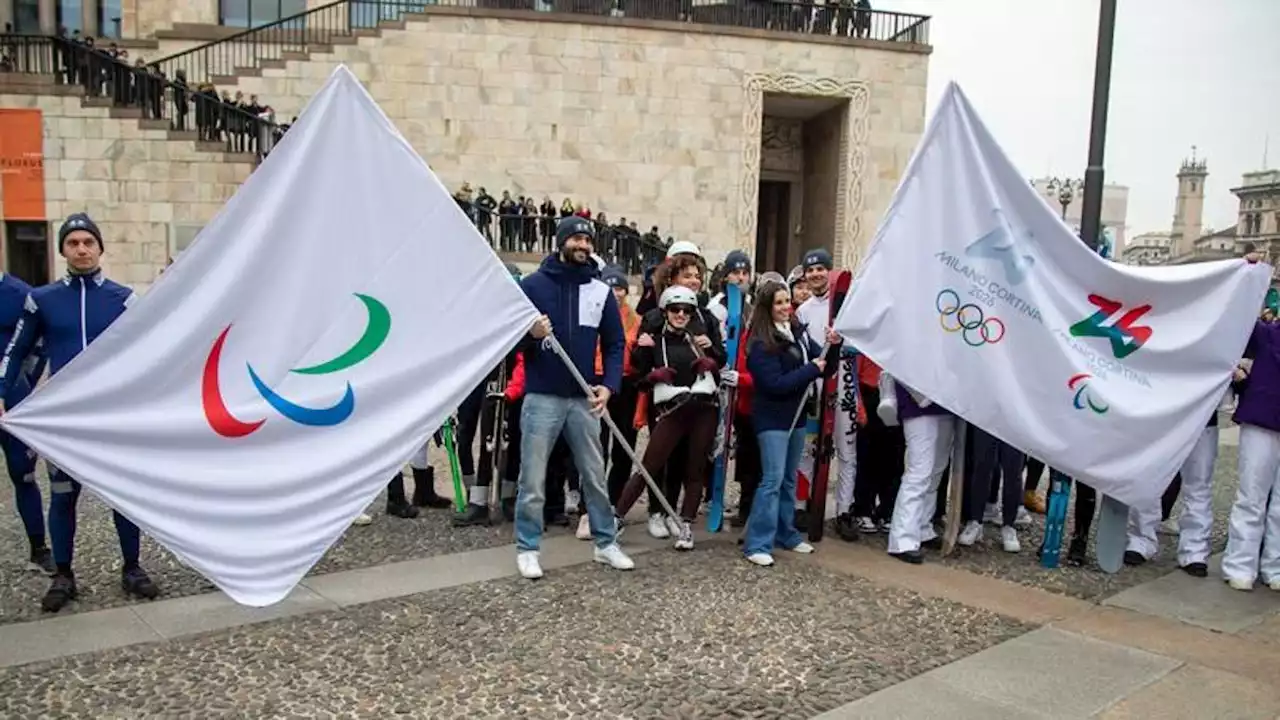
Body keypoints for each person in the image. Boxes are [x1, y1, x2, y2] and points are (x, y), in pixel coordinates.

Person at [0, 213, 160, 612]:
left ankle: (132, 567)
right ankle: (64, 574)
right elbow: (15, 352)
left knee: (122, 496)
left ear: (100, 248)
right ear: (63, 251)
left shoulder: (123, 298)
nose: (82, 249)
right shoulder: (43, 299)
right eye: (73, 243)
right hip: (66, 421)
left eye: (89, 242)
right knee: (63, 496)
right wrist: (2, 393)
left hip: (112, 416)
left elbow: (152, 351)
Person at [513, 216, 633, 580]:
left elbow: (614, 344)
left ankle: (605, 542)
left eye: (588, 240)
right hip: (542, 397)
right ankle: (528, 547)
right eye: (577, 239)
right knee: (532, 478)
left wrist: (608, 385)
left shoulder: (599, 291)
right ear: (561, 241)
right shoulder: (532, 286)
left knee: (594, 475)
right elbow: (510, 341)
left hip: (583, 398)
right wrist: (531, 334)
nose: (583, 245)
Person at [612, 286, 724, 549]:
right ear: (665, 312)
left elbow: (719, 370)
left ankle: (686, 525)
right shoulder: (654, 341)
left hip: (703, 408)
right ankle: (616, 518)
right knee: (649, 467)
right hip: (673, 411)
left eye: (686, 310)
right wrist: (651, 375)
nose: (681, 315)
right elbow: (638, 378)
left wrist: (712, 361)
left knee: (694, 469)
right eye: (675, 310)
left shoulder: (699, 340)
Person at [741, 279, 838, 566]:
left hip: (796, 416)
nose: (786, 307)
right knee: (771, 479)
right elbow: (774, 384)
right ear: (767, 308)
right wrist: (810, 370)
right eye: (779, 303)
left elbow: (825, 366)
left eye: (787, 301)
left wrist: (834, 345)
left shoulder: (798, 332)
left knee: (788, 477)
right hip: (773, 418)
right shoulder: (760, 342)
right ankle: (757, 543)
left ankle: (786, 533)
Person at [1222, 249, 1280, 591]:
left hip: (1264, 417)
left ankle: (1274, 566)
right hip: (1260, 420)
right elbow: (1238, 320)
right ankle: (1241, 563)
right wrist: (1246, 273)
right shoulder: (1267, 334)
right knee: (1251, 495)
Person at [793, 248, 859, 540]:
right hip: (815, 384)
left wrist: (843, 341)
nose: (816, 274)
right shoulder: (802, 311)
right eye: (811, 270)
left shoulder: (848, 305)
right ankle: (801, 505)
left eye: (821, 269)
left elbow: (863, 345)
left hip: (843, 380)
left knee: (847, 449)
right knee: (807, 448)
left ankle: (845, 511)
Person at [0, 271, 52, 574]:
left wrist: (25, 385)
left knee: (23, 474)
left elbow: (40, 343)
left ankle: (38, 548)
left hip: (13, 400)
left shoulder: (21, 293)